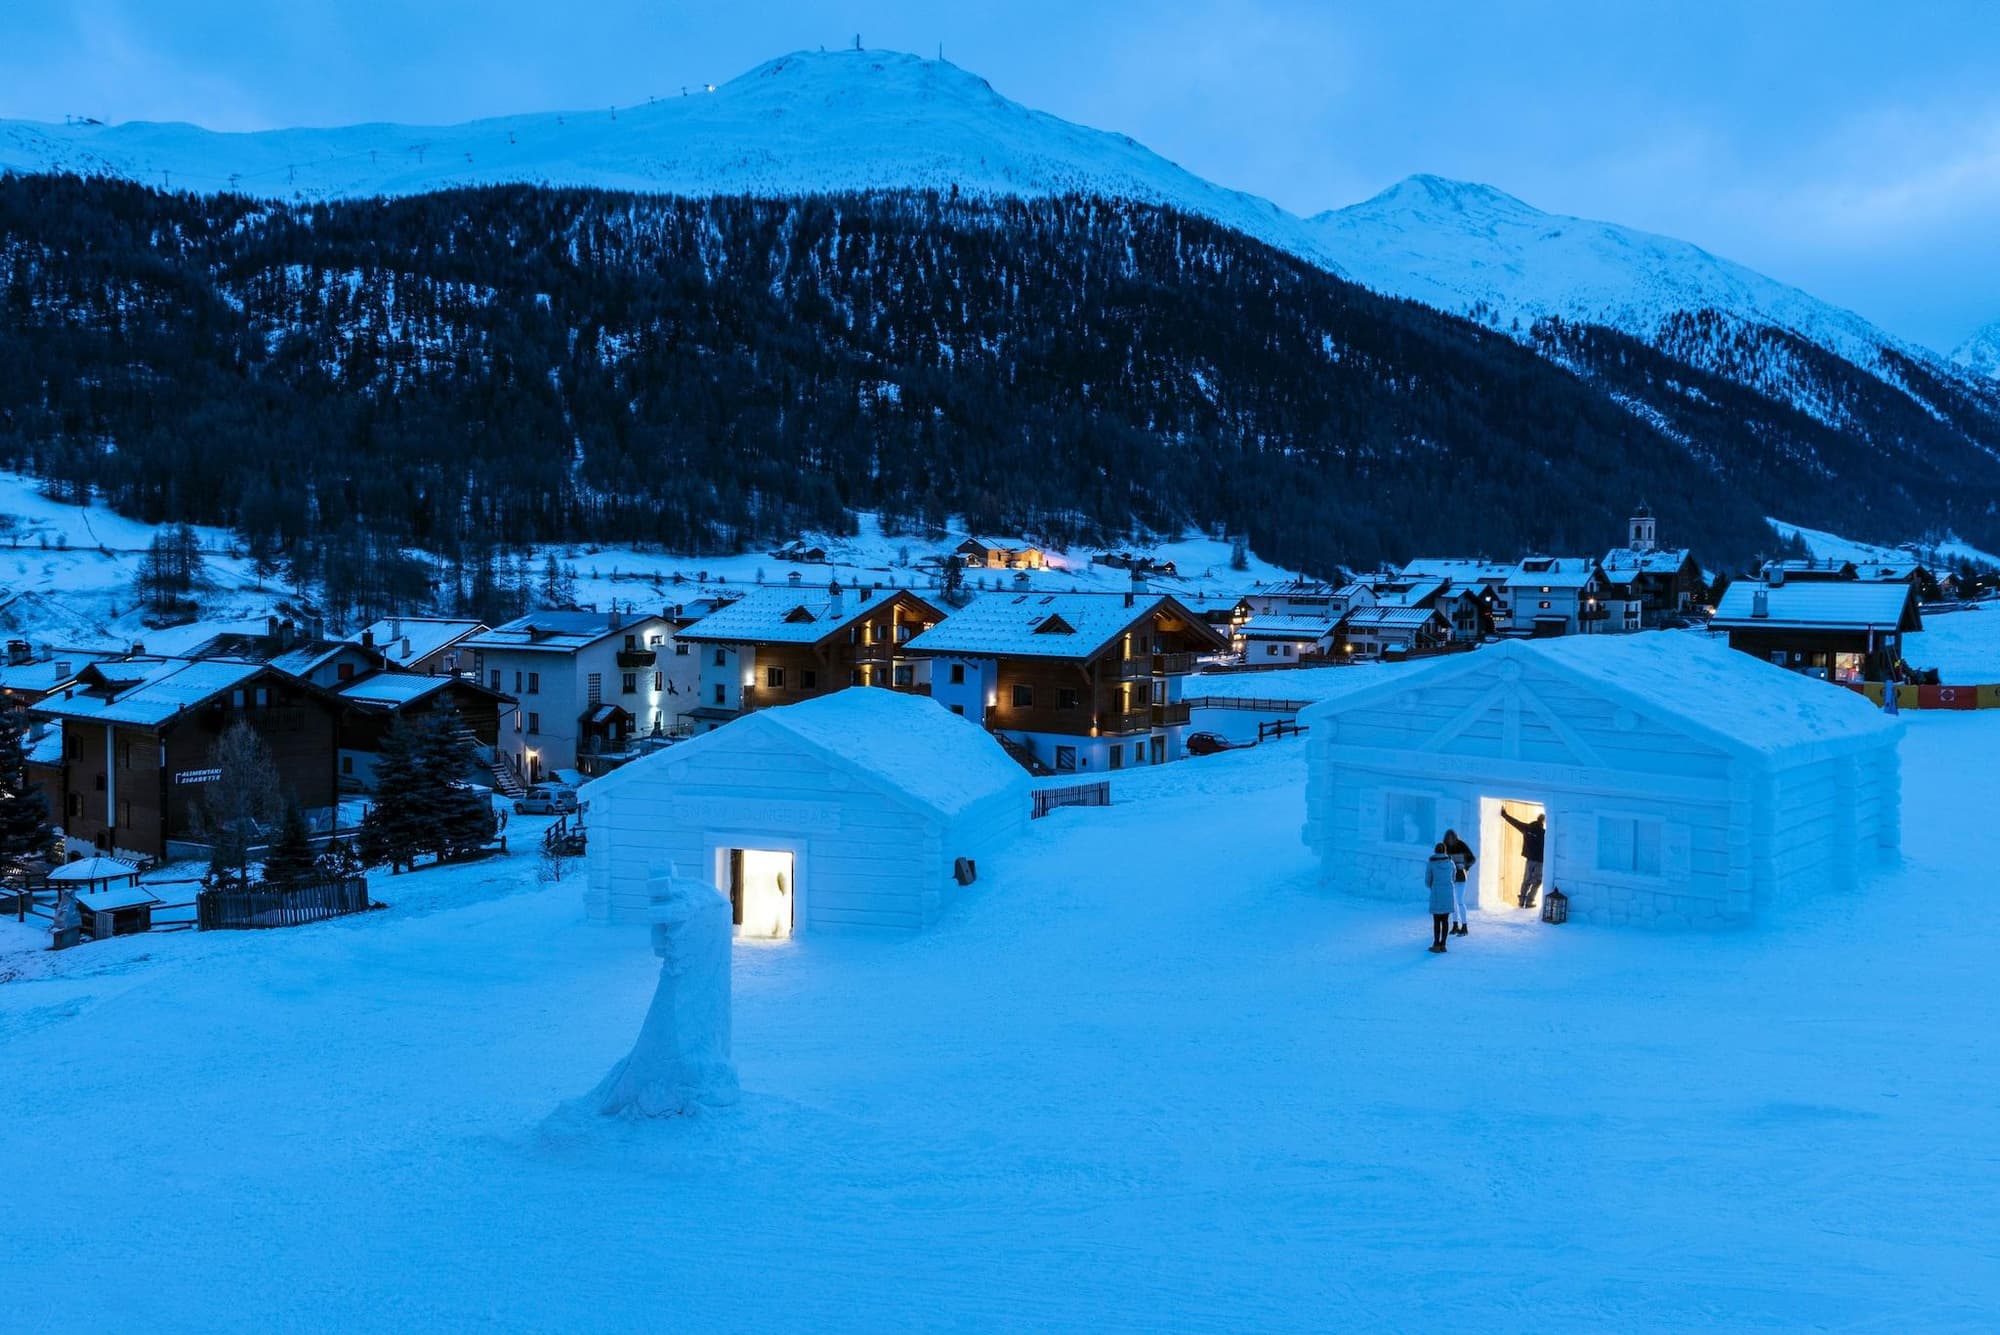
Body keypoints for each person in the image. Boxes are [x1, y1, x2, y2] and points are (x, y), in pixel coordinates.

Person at [1501, 808, 1547, 908]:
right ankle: (1529, 902)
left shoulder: (1527, 828)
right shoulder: (1544, 833)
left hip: (1529, 859)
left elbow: (1515, 822)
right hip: (1540, 861)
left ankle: (1521, 901)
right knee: (1537, 881)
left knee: (1526, 880)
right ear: (1543, 822)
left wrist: (1505, 815)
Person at [1442, 828, 1477, 935]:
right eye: (1448, 838)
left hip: (1461, 876)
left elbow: (1472, 859)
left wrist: (1465, 865)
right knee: (1453, 902)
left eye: (1452, 838)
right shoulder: (1444, 846)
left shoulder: (1461, 845)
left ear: (1455, 838)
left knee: (1460, 901)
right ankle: (1455, 925)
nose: (1450, 840)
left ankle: (1464, 926)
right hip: (1450, 877)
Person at [1425, 841, 1456, 953]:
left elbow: (1427, 880)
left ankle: (1436, 944)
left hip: (1437, 892)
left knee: (1437, 920)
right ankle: (1443, 944)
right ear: (1444, 851)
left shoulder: (1431, 862)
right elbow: (1454, 877)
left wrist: (1433, 886)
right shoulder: (1450, 862)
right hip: (1448, 893)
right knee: (1445, 920)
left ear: (1435, 850)